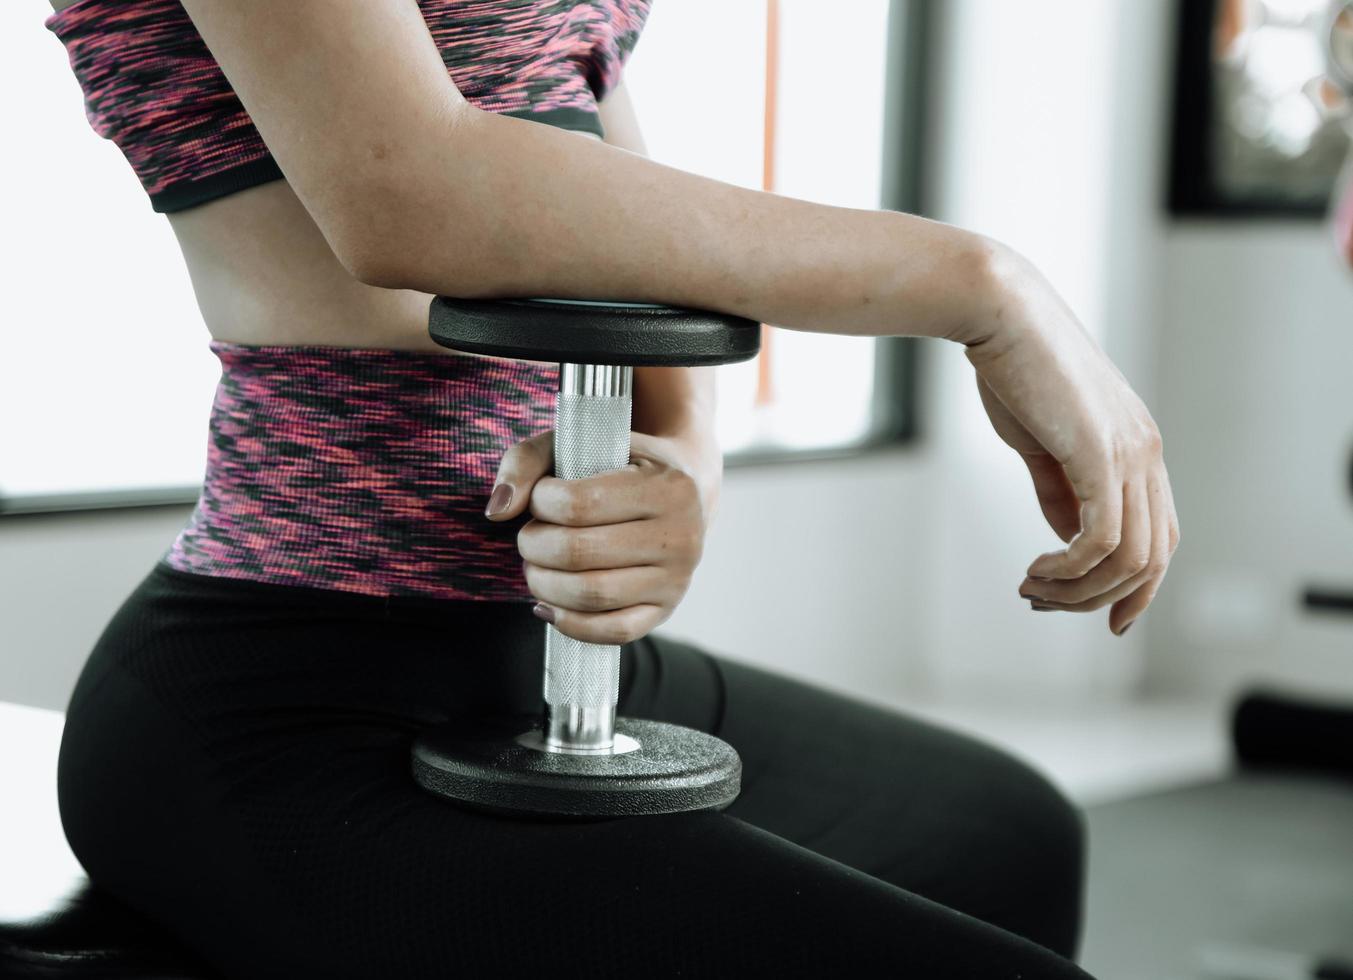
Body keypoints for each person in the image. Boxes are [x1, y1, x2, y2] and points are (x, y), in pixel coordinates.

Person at [42, 1, 1179, 977]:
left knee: (1005, 831)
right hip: (286, 691)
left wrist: (680, 459)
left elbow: (624, 218)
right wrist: (988, 286)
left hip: (532, 661)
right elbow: (408, 188)